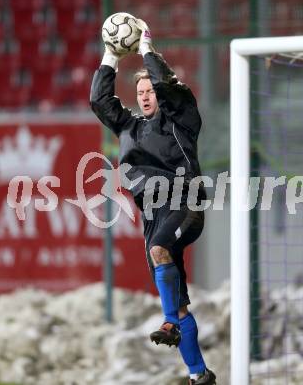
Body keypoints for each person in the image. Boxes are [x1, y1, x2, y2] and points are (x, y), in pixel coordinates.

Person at [90, 19, 216, 385]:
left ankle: (168, 325)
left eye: (151, 90)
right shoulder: (128, 126)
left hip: (185, 202)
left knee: (161, 249)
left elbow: (169, 86)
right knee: (177, 300)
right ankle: (199, 373)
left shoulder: (182, 119)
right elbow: (99, 100)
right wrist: (111, 56)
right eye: (140, 91)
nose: (145, 95)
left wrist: (146, 47)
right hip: (153, 215)